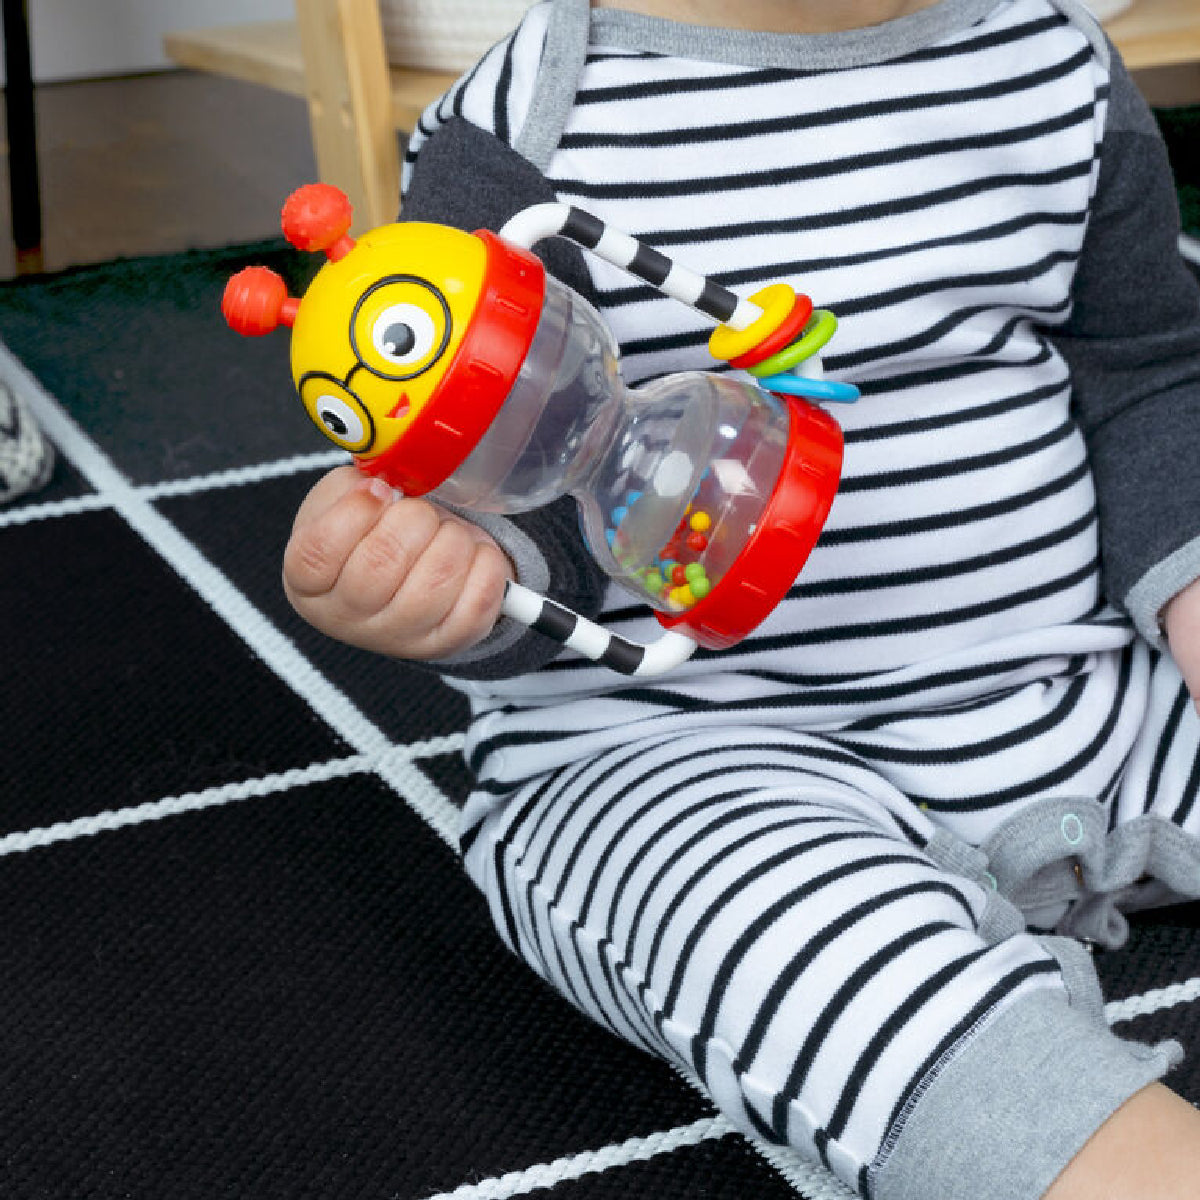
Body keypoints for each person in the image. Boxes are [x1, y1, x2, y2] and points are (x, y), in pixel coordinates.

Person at [280, 1, 1200, 1196]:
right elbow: (491, 490)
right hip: (684, 754)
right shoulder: (524, 124)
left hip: (1085, 694)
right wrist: (436, 581)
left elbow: (1146, 371)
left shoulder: (1052, 62)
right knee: (812, 958)